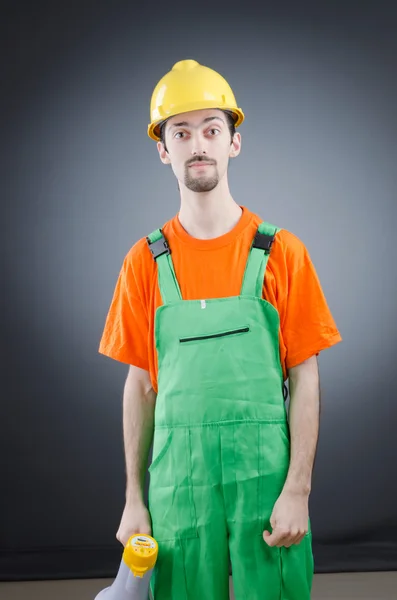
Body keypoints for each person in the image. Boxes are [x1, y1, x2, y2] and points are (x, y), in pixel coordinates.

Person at [98, 59, 342, 600]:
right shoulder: (144, 261)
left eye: (212, 128)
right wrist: (134, 497)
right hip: (176, 486)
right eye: (180, 132)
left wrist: (298, 489)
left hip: (266, 479)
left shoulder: (281, 251)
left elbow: (305, 376)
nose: (197, 143)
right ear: (163, 150)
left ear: (234, 142)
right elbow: (140, 385)